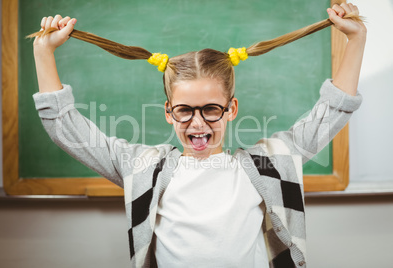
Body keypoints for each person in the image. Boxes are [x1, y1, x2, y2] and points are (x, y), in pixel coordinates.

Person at [31, 3, 366, 268]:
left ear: (231, 108)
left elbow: (331, 113)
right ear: (168, 111)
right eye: (184, 110)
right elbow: (67, 129)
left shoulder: (265, 166)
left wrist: (356, 39)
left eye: (211, 109)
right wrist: (43, 52)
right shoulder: (145, 169)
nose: (197, 123)